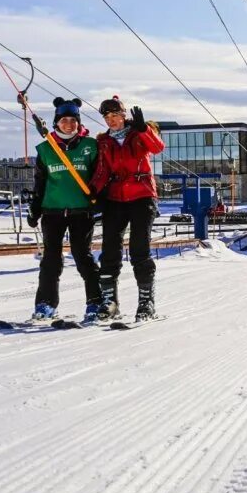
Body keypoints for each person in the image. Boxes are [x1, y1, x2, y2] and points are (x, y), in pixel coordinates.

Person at [90, 95, 165, 323]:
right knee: (110, 248)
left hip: (142, 196)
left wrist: (144, 129)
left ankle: (146, 303)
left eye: (115, 115)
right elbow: (102, 170)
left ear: (124, 116)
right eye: (107, 117)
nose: (111, 120)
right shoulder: (104, 142)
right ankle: (110, 302)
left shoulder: (138, 135)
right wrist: (94, 191)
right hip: (116, 198)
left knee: (139, 249)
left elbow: (157, 148)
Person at [27, 97, 101, 321]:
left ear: (78, 122)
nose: (68, 124)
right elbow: (41, 182)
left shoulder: (90, 146)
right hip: (53, 211)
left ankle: (96, 303)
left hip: (81, 211)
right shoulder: (46, 149)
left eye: (73, 120)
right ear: (56, 123)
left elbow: (99, 177)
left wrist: (101, 201)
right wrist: (35, 208)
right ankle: (45, 304)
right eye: (64, 120)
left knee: (82, 256)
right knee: (50, 259)